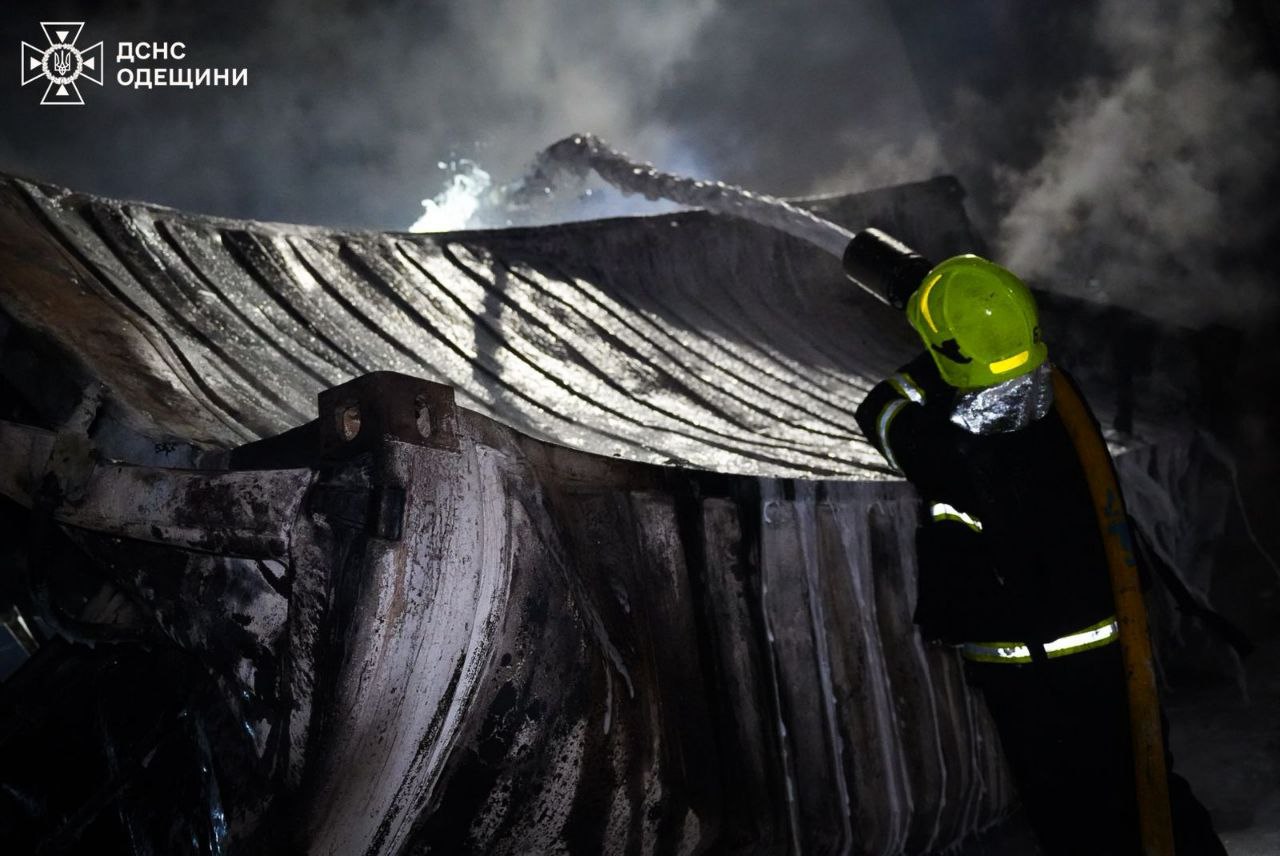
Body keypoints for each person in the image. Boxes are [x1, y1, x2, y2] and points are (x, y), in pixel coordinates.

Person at [851, 251, 1226, 856]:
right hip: (1109, 646)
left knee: (1072, 816)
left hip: (1028, 671)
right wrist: (971, 341)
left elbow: (880, 408)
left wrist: (940, 354)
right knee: (1150, 787)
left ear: (950, 359)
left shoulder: (952, 451)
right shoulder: (1061, 400)